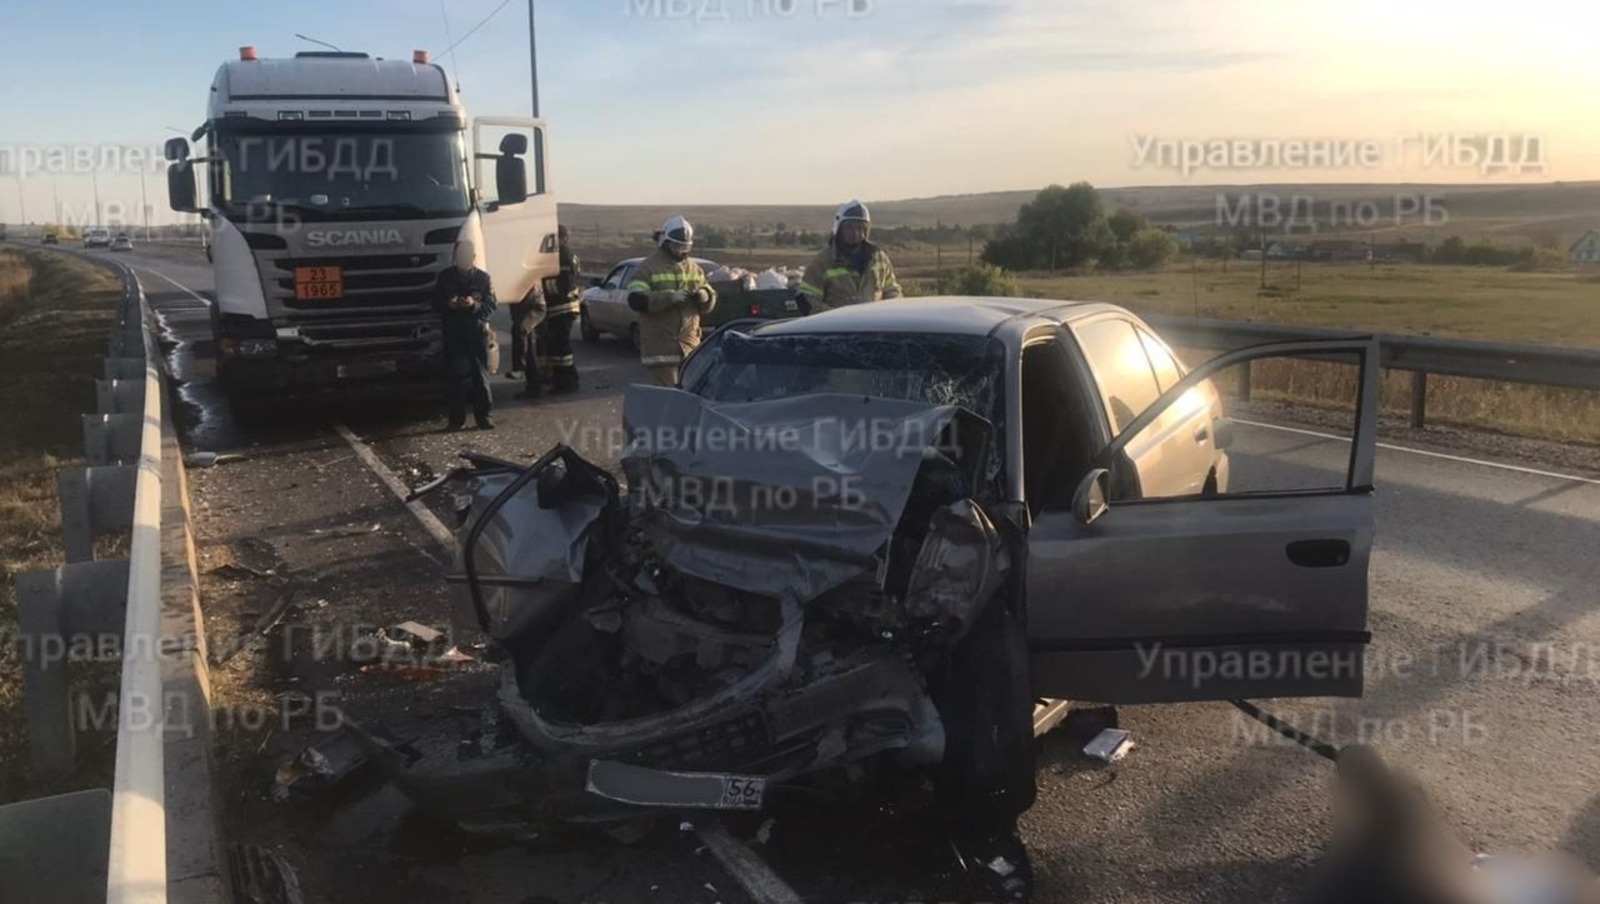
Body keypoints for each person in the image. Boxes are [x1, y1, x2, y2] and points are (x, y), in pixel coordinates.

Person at [626, 216, 716, 386]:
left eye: (684, 247)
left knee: (691, 393)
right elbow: (635, 299)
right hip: (661, 348)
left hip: (690, 347)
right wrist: (669, 297)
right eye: (676, 246)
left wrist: (705, 296)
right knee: (670, 395)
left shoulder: (694, 269)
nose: (680, 251)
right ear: (665, 243)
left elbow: (709, 296)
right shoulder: (648, 267)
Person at [794, 200, 903, 315]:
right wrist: (835, 317)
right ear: (839, 228)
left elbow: (893, 291)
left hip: (874, 324)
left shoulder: (879, 258)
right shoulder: (822, 262)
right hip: (838, 326)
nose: (856, 233)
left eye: (860, 228)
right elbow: (806, 300)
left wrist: (890, 312)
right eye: (850, 228)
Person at [433, 239, 497, 431]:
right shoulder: (445, 277)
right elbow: (435, 303)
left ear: (473, 257)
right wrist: (448, 304)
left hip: (475, 332)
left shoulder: (483, 279)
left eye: (466, 255)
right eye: (460, 255)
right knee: (455, 377)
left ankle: (484, 417)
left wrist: (474, 305)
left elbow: (491, 305)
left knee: (480, 376)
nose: (463, 258)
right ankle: (455, 420)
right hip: (454, 332)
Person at [540, 224, 582, 394]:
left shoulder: (563, 254)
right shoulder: (567, 254)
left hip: (562, 307)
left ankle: (567, 383)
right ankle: (565, 380)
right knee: (558, 347)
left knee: (561, 349)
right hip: (563, 307)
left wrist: (545, 289)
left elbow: (565, 284)